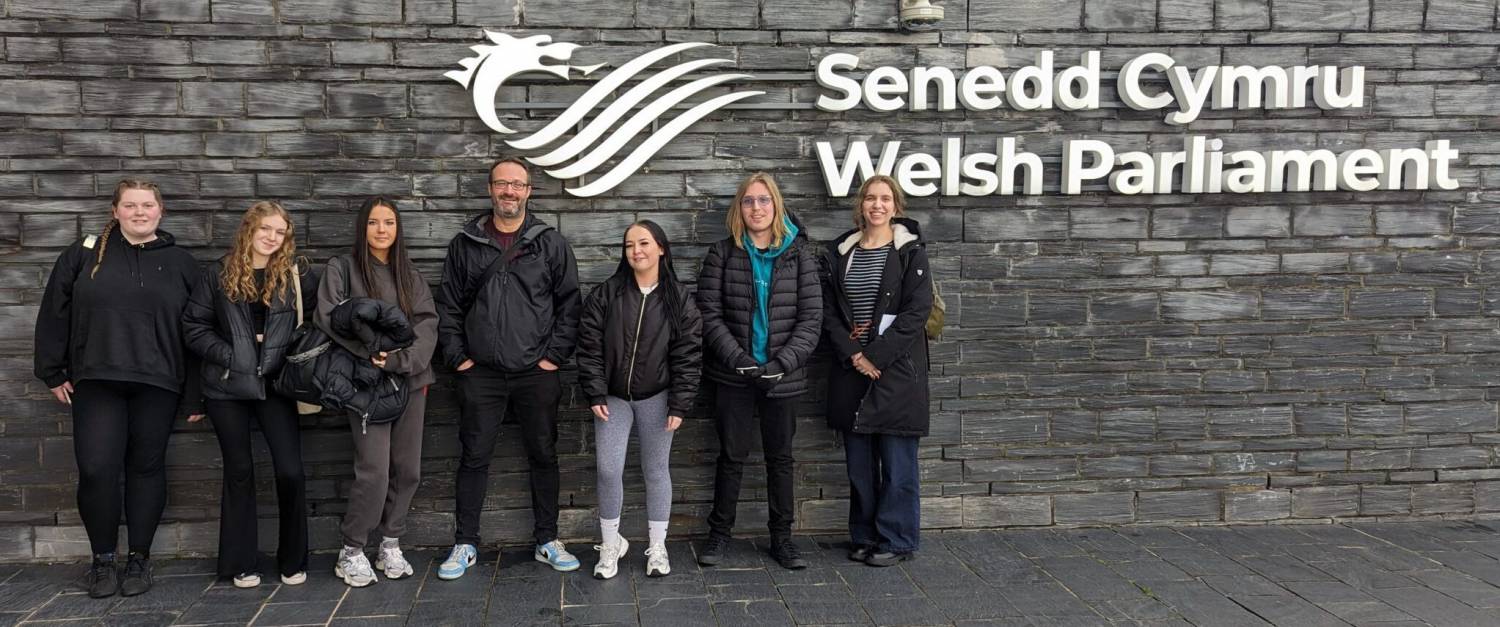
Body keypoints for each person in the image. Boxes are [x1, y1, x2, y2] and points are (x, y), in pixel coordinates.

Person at [33, 179, 203, 598]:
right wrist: (51, 371)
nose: (139, 212)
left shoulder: (182, 263)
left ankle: (139, 560)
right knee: (96, 470)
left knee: (146, 468)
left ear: (161, 211)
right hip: (96, 380)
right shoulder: (83, 255)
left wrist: (196, 392)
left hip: (158, 383)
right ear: (115, 211)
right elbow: (54, 311)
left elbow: (197, 330)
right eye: (130, 206)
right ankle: (103, 560)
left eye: (147, 205)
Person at [436, 157, 582, 579]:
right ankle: (465, 543)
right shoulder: (466, 243)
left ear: (529, 192)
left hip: (536, 372)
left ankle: (547, 539)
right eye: (502, 184)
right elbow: (447, 306)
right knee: (474, 456)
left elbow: (570, 305)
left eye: (517, 185)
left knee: (543, 454)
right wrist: (459, 357)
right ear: (490, 189)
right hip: (480, 372)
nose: (509, 192)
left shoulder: (549, 242)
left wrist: (553, 357)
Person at [182, 201, 315, 588]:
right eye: (265, 229)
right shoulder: (219, 274)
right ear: (248, 230)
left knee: (291, 471)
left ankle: (292, 560)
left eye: (280, 232)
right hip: (227, 386)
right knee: (239, 471)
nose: (272, 237)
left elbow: (312, 326)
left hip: (275, 384)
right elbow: (193, 325)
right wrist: (235, 353)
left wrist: (278, 350)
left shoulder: (294, 276)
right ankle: (242, 562)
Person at [695, 172, 822, 570]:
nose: (756, 208)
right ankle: (719, 536)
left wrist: (781, 364)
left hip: (783, 377)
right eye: (749, 201)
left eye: (764, 200)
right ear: (739, 208)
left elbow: (811, 318)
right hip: (734, 375)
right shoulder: (722, 253)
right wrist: (739, 359)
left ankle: (782, 540)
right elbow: (708, 314)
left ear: (776, 205)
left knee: (780, 460)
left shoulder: (800, 254)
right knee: (731, 457)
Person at [316, 197, 439, 588]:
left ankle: (390, 542)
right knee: (374, 470)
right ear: (362, 227)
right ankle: (351, 549)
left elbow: (427, 323)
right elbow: (329, 317)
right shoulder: (343, 268)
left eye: (388, 222)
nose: (382, 230)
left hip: (411, 380)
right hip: (365, 383)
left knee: (408, 470)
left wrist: (403, 361)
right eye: (373, 222)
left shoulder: (410, 274)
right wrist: (373, 354)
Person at [576, 221, 703, 579]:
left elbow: (688, 354)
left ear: (661, 248)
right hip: (612, 398)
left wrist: (680, 403)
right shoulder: (607, 293)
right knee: (608, 469)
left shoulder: (678, 299)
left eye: (644, 243)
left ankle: (658, 547)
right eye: (629, 244)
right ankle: (610, 544)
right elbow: (589, 346)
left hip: (658, 397)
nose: (636, 251)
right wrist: (595, 390)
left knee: (655, 471)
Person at [819, 175, 934, 567]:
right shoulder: (841, 252)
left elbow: (916, 313)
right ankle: (865, 536)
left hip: (897, 371)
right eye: (870, 198)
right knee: (860, 467)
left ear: (896, 206)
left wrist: (876, 357)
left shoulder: (910, 252)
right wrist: (854, 354)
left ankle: (897, 540)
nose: (877, 205)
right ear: (861, 205)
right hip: (853, 371)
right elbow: (830, 314)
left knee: (898, 464)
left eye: (885, 198)